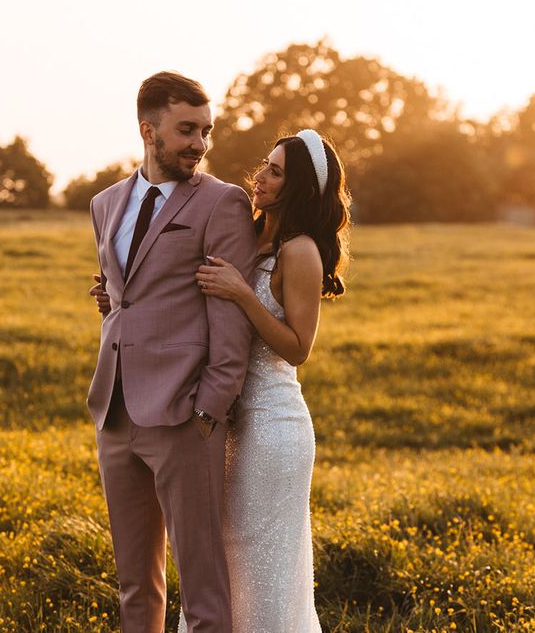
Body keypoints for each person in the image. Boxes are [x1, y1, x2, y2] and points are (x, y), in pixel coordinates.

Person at [86, 71, 257, 632]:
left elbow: (229, 320)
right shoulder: (106, 203)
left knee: (204, 589)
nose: (200, 144)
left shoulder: (223, 203)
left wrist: (210, 406)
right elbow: (126, 295)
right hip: (115, 411)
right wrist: (109, 306)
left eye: (205, 131)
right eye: (187, 130)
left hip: (186, 416)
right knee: (135, 584)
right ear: (148, 130)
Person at [182, 129, 351, 631]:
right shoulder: (247, 234)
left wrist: (242, 293)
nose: (261, 176)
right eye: (265, 165)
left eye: (275, 171)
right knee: (225, 560)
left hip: (274, 427)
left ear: (297, 186)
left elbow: (299, 349)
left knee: (266, 572)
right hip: (228, 421)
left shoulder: (299, 251)